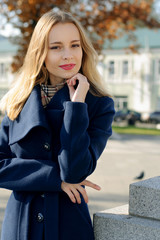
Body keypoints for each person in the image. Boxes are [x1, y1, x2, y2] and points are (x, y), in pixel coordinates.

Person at [0, 10, 115, 240]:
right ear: (40, 52)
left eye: (75, 45)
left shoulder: (99, 104)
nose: (68, 55)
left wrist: (76, 107)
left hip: (68, 226)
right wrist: (55, 179)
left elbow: (75, 171)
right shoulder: (19, 101)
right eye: (56, 47)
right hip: (21, 226)